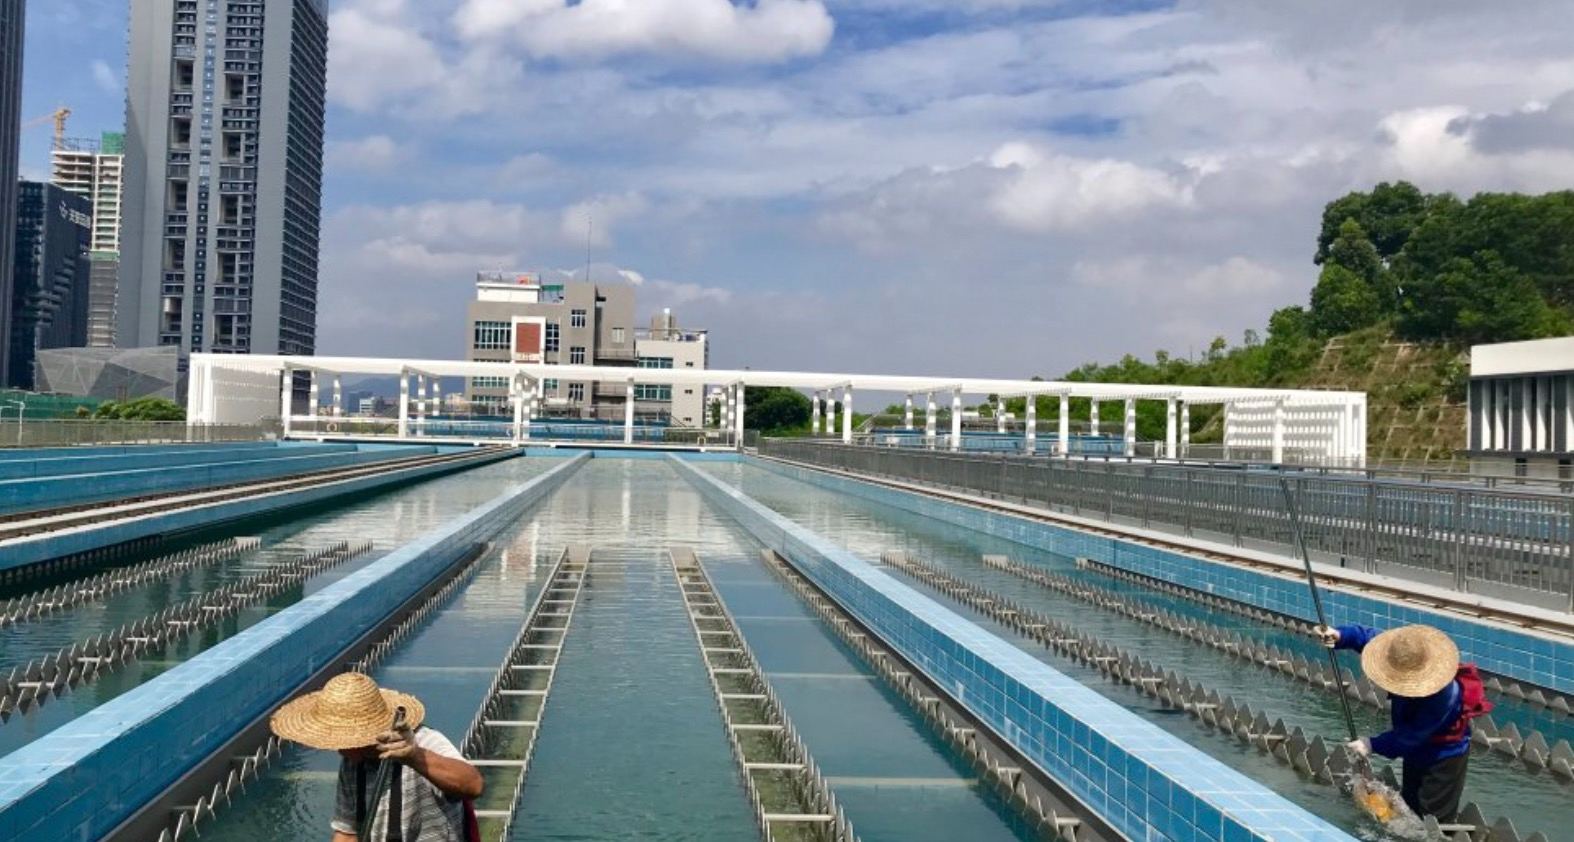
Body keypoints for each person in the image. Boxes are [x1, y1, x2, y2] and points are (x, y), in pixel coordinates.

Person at [270, 672, 484, 841]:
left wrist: (415, 757)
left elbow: (473, 785)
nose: (338, 749)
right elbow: (347, 831)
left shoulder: (423, 742)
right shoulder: (352, 763)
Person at [1316, 623, 1490, 823]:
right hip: (1415, 750)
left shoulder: (1445, 695)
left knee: (1432, 816)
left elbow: (1412, 735)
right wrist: (1341, 635)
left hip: (1443, 755)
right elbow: (1370, 639)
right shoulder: (1401, 652)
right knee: (1410, 806)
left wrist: (1372, 744)